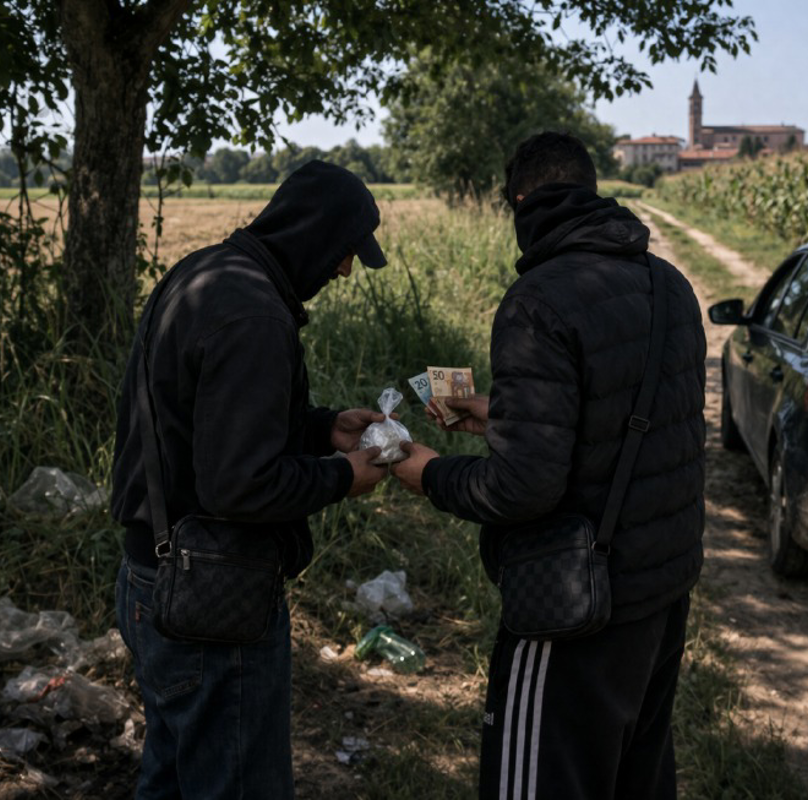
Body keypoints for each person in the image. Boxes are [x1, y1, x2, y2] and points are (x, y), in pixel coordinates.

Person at [392, 132, 707, 799]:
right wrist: (501, 414)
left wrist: (426, 471)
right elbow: (624, 424)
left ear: (520, 202)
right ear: (590, 192)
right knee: (633, 779)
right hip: (659, 592)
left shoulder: (538, 301)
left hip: (574, 605)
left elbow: (522, 487)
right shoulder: (670, 286)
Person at [110, 161, 390, 798]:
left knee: (173, 775)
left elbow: (206, 424)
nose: (345, 270)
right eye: (345, 252)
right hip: (212, 604)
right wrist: (342, 475)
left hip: (151, 578)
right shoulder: (256, 317)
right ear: (315, 235)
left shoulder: (203, 272)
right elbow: (240, 486)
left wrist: (323, 429)